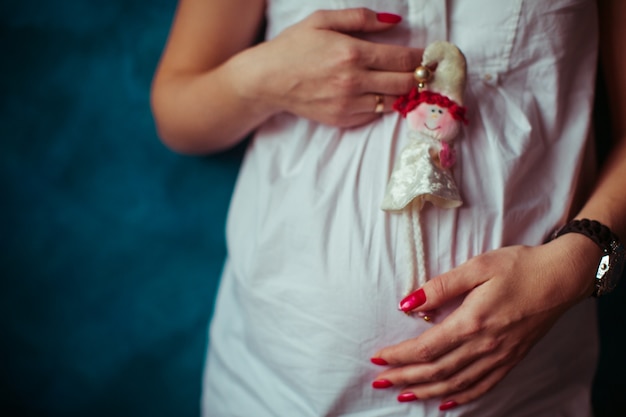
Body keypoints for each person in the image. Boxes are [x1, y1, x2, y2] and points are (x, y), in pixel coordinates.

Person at [151, 1, 626, 416]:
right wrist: (263, 79)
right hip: (279, 383)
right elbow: (176, 111)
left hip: (523, 387)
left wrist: (582, 261)